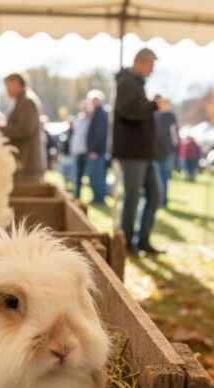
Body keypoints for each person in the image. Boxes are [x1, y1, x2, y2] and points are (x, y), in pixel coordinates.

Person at [112, 48, 164, 255]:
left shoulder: (135, 84)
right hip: (132, 152)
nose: (152, 70)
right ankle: (126, 243)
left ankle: (143, 240)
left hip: (144, 153)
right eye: (151, 65)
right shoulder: (127, 83)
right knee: (132, 198)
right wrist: (153, 106)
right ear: (141, 62)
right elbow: (128, 111)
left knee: (155, 194)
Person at [0, 73, 43, 182]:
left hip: (27, 165)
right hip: (24, 164)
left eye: (8, 85)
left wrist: (1, 127)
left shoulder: (27, 101)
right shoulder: (22, 101)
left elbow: (25, 129)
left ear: (17, 84)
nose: (6, 89)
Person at [84, 89, 109, 204]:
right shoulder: (97, 113)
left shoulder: (100, 114)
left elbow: (99, 133)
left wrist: (94, 149)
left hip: (97, 152)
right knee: (95, 176)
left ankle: (99, 199)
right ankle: (97, 197)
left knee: (97, 176)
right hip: (97, 151)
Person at [153, 96, 179, 208]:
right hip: (160, 151)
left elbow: (174, 135)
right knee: (161, 177)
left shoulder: (166, 116)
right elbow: (175, 136)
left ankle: (161, 201)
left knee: (161, 177)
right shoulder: (166, 116)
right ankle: (161, 200)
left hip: (162, 151)